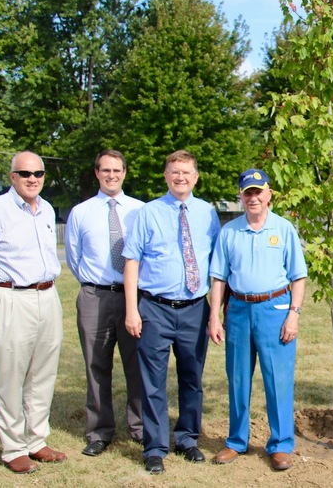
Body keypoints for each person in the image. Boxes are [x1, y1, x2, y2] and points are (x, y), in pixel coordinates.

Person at [0, 151, 66, 474]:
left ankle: (36, 440)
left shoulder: (46, 210)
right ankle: (13, 448)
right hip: (9, 296)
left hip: (47, 296)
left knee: (42, 373)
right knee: (10, 374)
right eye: (25, 173)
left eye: (38, 173)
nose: (32, 178)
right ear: (12, 177)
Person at [123, 150, 220, 474]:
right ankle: (155, 447)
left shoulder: (208, 213)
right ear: (166, 176)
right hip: (154, 309)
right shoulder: (147, 213)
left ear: (196, 177)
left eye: (187, 172)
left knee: (192, 379)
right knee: (153, 382)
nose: (180, 177)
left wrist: (216, 312)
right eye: (174, 172)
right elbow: (132, 262)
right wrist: (131, 310)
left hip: (194, 309)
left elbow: (217, 266)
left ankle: (188, 439)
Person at [208, 168, 307, 471]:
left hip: (275, 308)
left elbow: (299, 276)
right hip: (238, 309)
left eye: (258, 192)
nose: (253, 198)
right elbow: (218, 278)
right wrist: (214, 317)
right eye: (247, 192)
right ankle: (237, 441)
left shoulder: (284, 228)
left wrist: (294, 315)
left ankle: (280, 445)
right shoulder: (229, 231)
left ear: (268, 195)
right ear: (240, 195)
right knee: (238, 378)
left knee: (277, 380)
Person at [65, 149, 144, 456]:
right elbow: (74, 258)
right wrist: (94, 283)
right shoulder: (80, 212)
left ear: (125, 173)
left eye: (117, 170)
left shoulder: (140, 210)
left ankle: (139, 427)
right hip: (94, 295)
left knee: (136, 363)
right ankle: (99, 431)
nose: (112, 175)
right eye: (105, 170)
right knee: (96, 365)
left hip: (132, 297)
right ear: (97, 173)